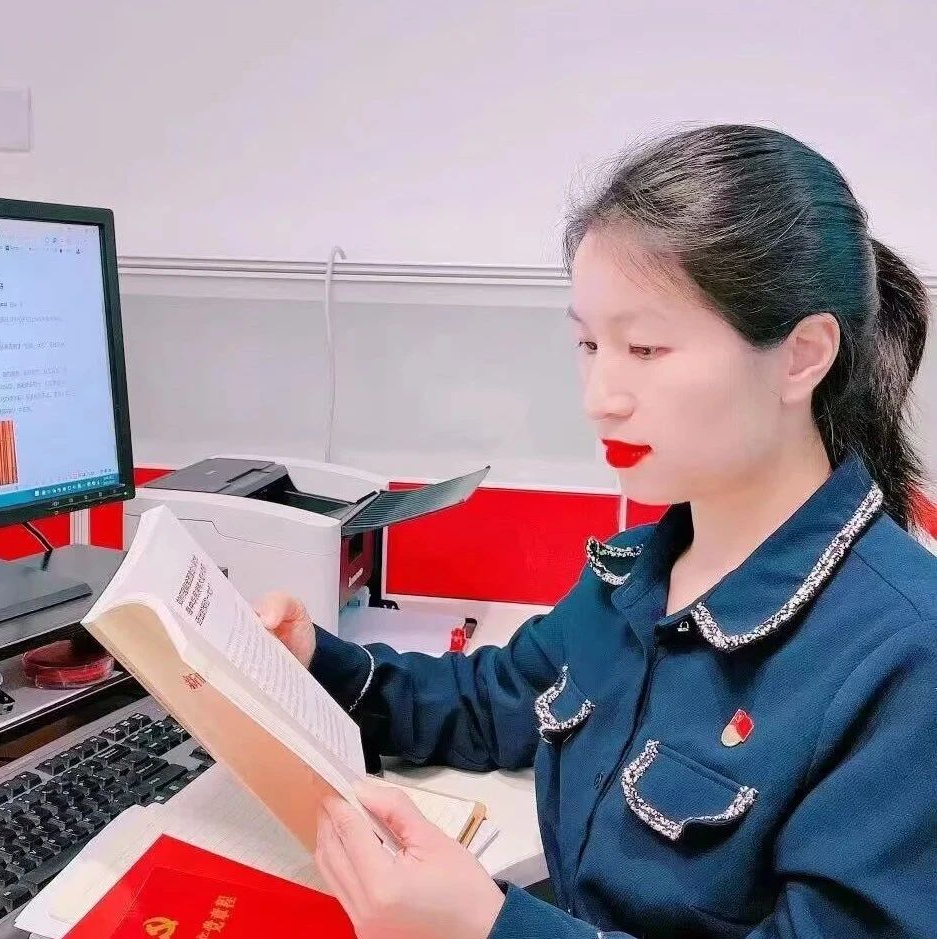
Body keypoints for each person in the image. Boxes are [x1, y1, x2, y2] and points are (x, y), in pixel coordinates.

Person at [257, 124, 937, 939]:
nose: (599, 396)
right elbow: (491, 701)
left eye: (644, 347)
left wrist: (488, 927)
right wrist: (316, 661)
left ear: (801, 357)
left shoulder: (907, 655)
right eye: (587, 342)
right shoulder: (636, 575)